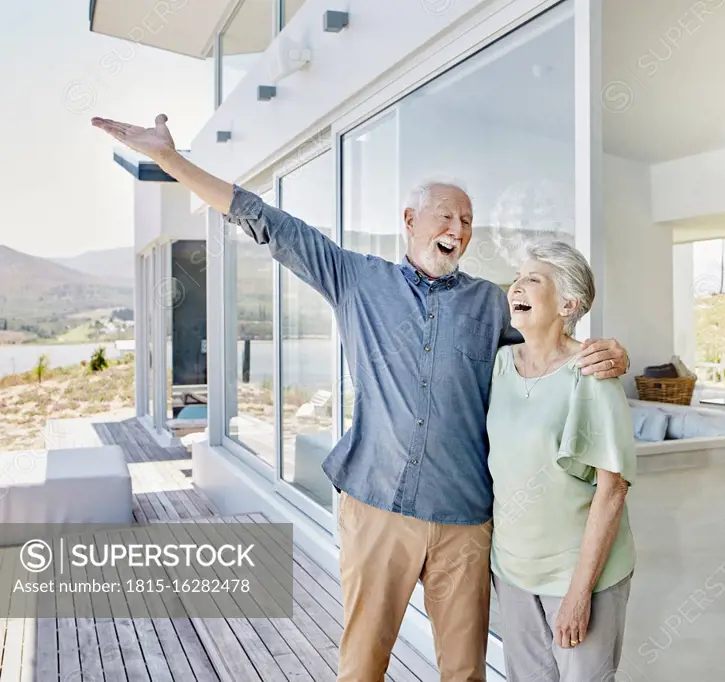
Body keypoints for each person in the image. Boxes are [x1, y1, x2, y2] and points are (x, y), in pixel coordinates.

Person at [92, 114, 631, 682]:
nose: (459, 226)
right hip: (377, 506)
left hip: (466, 520)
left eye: (468, 219)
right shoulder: (356, 279)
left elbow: (552, 344)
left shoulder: (491, 304)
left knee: (465, 672)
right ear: (410, 221)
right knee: (361, 667)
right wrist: (171, 163)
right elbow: (263, 220)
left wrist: (608, 351)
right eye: (446, 214)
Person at [488, 240, 636, 681]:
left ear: (568, 302)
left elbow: (612, 490)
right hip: (513, 572)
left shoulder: (592, 373)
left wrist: (579, 594)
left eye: (533, 279)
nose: (517, 285)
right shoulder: (498, 365)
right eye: (517, 277)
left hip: (579, 576)